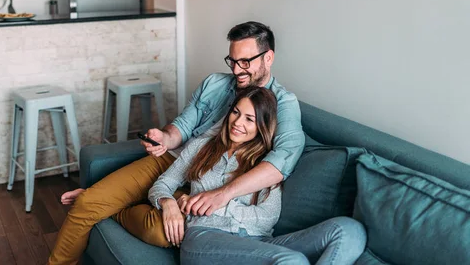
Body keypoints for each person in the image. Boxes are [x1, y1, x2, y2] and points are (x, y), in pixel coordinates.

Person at [49, 21, 306, 264]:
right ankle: (102, 201)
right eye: (233, 61)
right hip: (175, 159)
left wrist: (222, 194)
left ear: (268, 58)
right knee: (87, 205)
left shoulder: (283, 103)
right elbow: (182, 126)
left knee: (166, 232)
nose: (237, 70)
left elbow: (282, 161)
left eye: (245, 62)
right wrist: (165, 138)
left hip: (205, 178)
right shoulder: (214, 83)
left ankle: (115, 201)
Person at [150, 86, 367, 265]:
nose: (237, 123)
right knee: (292, 261)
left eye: (249, 119)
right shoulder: (201, 147)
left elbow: (267, 217)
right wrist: (168, 203)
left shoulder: (266, 165)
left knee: (349, 230)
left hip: (259, 243)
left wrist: (216, 203)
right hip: (205, 236)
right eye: (235, 112)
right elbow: (163, 184)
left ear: (262, 125)